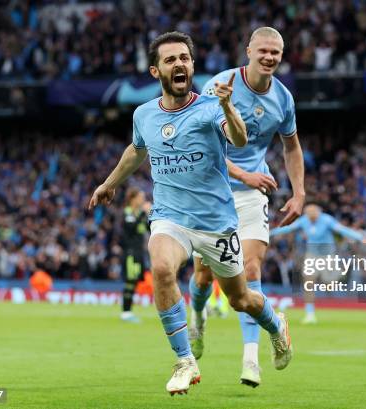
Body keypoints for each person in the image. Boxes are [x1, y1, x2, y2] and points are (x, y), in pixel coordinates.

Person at [89, 31, 292, 396]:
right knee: (163, 268)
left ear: (192, 66)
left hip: (216, 224)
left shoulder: (211, 106)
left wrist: (229, 106)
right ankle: (184, 360)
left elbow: (240, 139)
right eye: (170, 59)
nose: (179, 64)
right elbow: (136, 151)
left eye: (184, 58)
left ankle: (276, 325)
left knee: (240, 299)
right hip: (170, 216)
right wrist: (109, 183)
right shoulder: (144, 114)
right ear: (155, 71)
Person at [188, 26, 304, 388]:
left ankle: (251, 359)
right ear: (249, 50)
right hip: (212, 191)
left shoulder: (283, 99)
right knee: (205, 277)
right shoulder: (219, 86)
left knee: (249, 270)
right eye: (264, 50)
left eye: (276, 53)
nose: (269, 57)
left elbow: (291, 146)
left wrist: (299, 193)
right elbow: (204, 145)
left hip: (253, 195)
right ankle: (198, 315)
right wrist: (243, 173)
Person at [271, 203, 366, 324]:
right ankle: (310, 314)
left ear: (318, 214)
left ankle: (338, 275)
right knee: (308, 282)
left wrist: (359, 237)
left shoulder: (327, 220)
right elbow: (289, 228)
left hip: (328, 256)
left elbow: (342, 230)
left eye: (313, 217)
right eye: (309, 217)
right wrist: (270, 232)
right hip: (312, 255)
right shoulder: (304, 220)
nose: (311, 219)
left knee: (329, 284)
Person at [120, 188, 151, 323]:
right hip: (130, 252)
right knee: (130, 281)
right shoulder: (127, 213)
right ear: (133, 199)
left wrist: (150, 216)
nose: (143, 200)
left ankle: (128, 311)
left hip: (139, 252)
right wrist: (143, 214)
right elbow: (131, 229)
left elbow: (149, 229)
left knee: (134, 281)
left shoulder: (139, 214)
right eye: (141, 197)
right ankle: (126, 312)